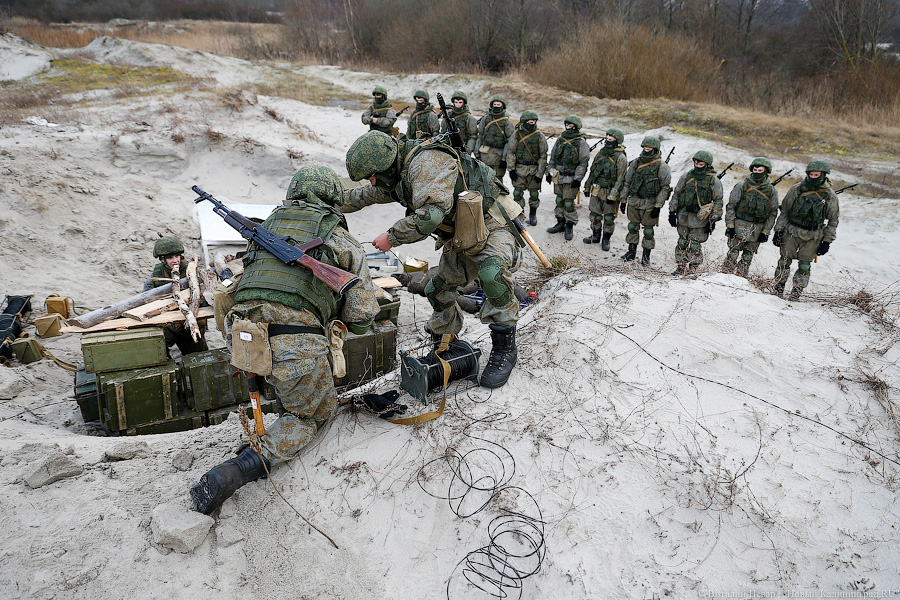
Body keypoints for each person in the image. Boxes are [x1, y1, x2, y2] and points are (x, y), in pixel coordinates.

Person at [190, 166, 379, 515]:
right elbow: (364, 317)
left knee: (282, 369)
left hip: (242, 335)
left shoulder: (265, 230)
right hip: (294, 344)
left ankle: (274, 404)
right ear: (333, 197)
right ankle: (237, 470)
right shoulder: (340, 239)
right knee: (311, 416)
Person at [343, 130, 523, 389]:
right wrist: (330, 200)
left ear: (383, 168)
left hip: (493, 225)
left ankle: (505, 348)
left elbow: (430, 217)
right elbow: (363, 195)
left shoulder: (424, 165)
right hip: (464, 232)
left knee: (491, 275)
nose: (372, 182)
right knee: (436, 290)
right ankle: (446, 342)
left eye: (372, 177)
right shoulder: (399, 172)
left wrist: (391, 237)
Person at [771, 159, 839, 300]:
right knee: (784, 261)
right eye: (811, 174)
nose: (813, 177)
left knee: (804, 265)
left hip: (813, 235)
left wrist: (827, 241)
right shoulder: (797, 189)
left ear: (823, 175)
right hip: (792, 231)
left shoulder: (830, 196)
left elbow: (833, 220)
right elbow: (784, 211)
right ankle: (778, 288)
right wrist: (778, 231)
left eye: (816, 175)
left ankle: (796, 293)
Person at [143, 235, 208, 356]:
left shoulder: (191, 271)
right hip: (167, 325)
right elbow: (145, 302)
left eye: (177, 256)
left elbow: (202, 300)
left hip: (189, 325)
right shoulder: (154, 277)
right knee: (154, 351)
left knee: (199, 358)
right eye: (170, 257)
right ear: (162, 260)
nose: (175, 260)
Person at [668, 150, 724, 274]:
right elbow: (676, 194)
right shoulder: (687, 176)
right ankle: (680, 267)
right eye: (696, 163)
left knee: (695, 244)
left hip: (700, 218)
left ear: (707, 164)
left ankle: (693, 268)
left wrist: (713, 219)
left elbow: (718, 201)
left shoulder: (713, 181)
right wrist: (672, 211)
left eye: (701, 164)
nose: (698, 165)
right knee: (682, 242)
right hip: (684, 215)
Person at [723, 157, 779, 277]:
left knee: (748, 256)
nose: (757, 172)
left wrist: (766, 231)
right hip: (739, 224)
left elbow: (773, 213)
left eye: (760, 170)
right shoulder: (741, 186)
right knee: (732, 253)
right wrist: (730, 226)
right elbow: (731, 206)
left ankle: (740, 278)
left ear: (766, 171)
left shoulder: (771, 191)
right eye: (755, 169)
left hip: (757, 229)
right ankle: (724, 276)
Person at [620, 136, 671, 265]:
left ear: (655, 150)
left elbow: (665, 188)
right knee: (632, 227)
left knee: (648, 231)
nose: (646, 151)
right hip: (635, 201)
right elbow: (628, 182)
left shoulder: (661, 166)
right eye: (644, 148)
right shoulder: (636, 163)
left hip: (650, 203)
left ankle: (646, 257)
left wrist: (658, 206)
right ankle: (631, 252)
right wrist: (623, 199)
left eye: (649, 149)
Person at [546, 115, 590, 241]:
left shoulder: (581, 142)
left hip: (571, 177)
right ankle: (560, 222)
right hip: (559, 176)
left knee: (569, 203)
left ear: (576, 127)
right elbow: (553, 157)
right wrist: (548, 172)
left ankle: (569, 225)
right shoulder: (560, 140)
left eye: (571, 125)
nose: (568, 127)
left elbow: (583, 162)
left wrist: (578, 178)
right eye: (567, 125)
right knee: (559, 200)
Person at [582, 128, 627, 250]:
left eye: (611, 139)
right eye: (606, 139)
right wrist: (587, 187)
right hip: (597, 189)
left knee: (608, 217)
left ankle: (606, 239)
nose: (608, 141)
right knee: (594, 215)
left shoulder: (620, 157)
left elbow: (620, 178)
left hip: (610, 191)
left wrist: (613, 195)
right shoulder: (601, 153)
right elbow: (593, 170)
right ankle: (595, 235)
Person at [507, 110, 548, 226]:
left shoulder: (539, 136)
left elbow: (543, 156)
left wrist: (540, 174)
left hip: (534, 169)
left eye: (534, 121)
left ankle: (532, 214)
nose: (532, 123)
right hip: (519, 168)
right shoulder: (517, 134)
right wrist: (511, 169)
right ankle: (519, 214)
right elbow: (510, 151)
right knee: (517, 193)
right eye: (530, 121)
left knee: (534, 194)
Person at [475, 95, 515, 180]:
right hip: (485, 155)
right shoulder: (485, 119)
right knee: (483, 178)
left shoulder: (507, 122)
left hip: (499, 156)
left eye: (498, 104)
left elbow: (510, 142)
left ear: (502, 106)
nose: (496, 106)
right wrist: (477, 153)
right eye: (495, 104)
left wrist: (504, 159)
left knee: (498, 179)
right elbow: (480, 136)